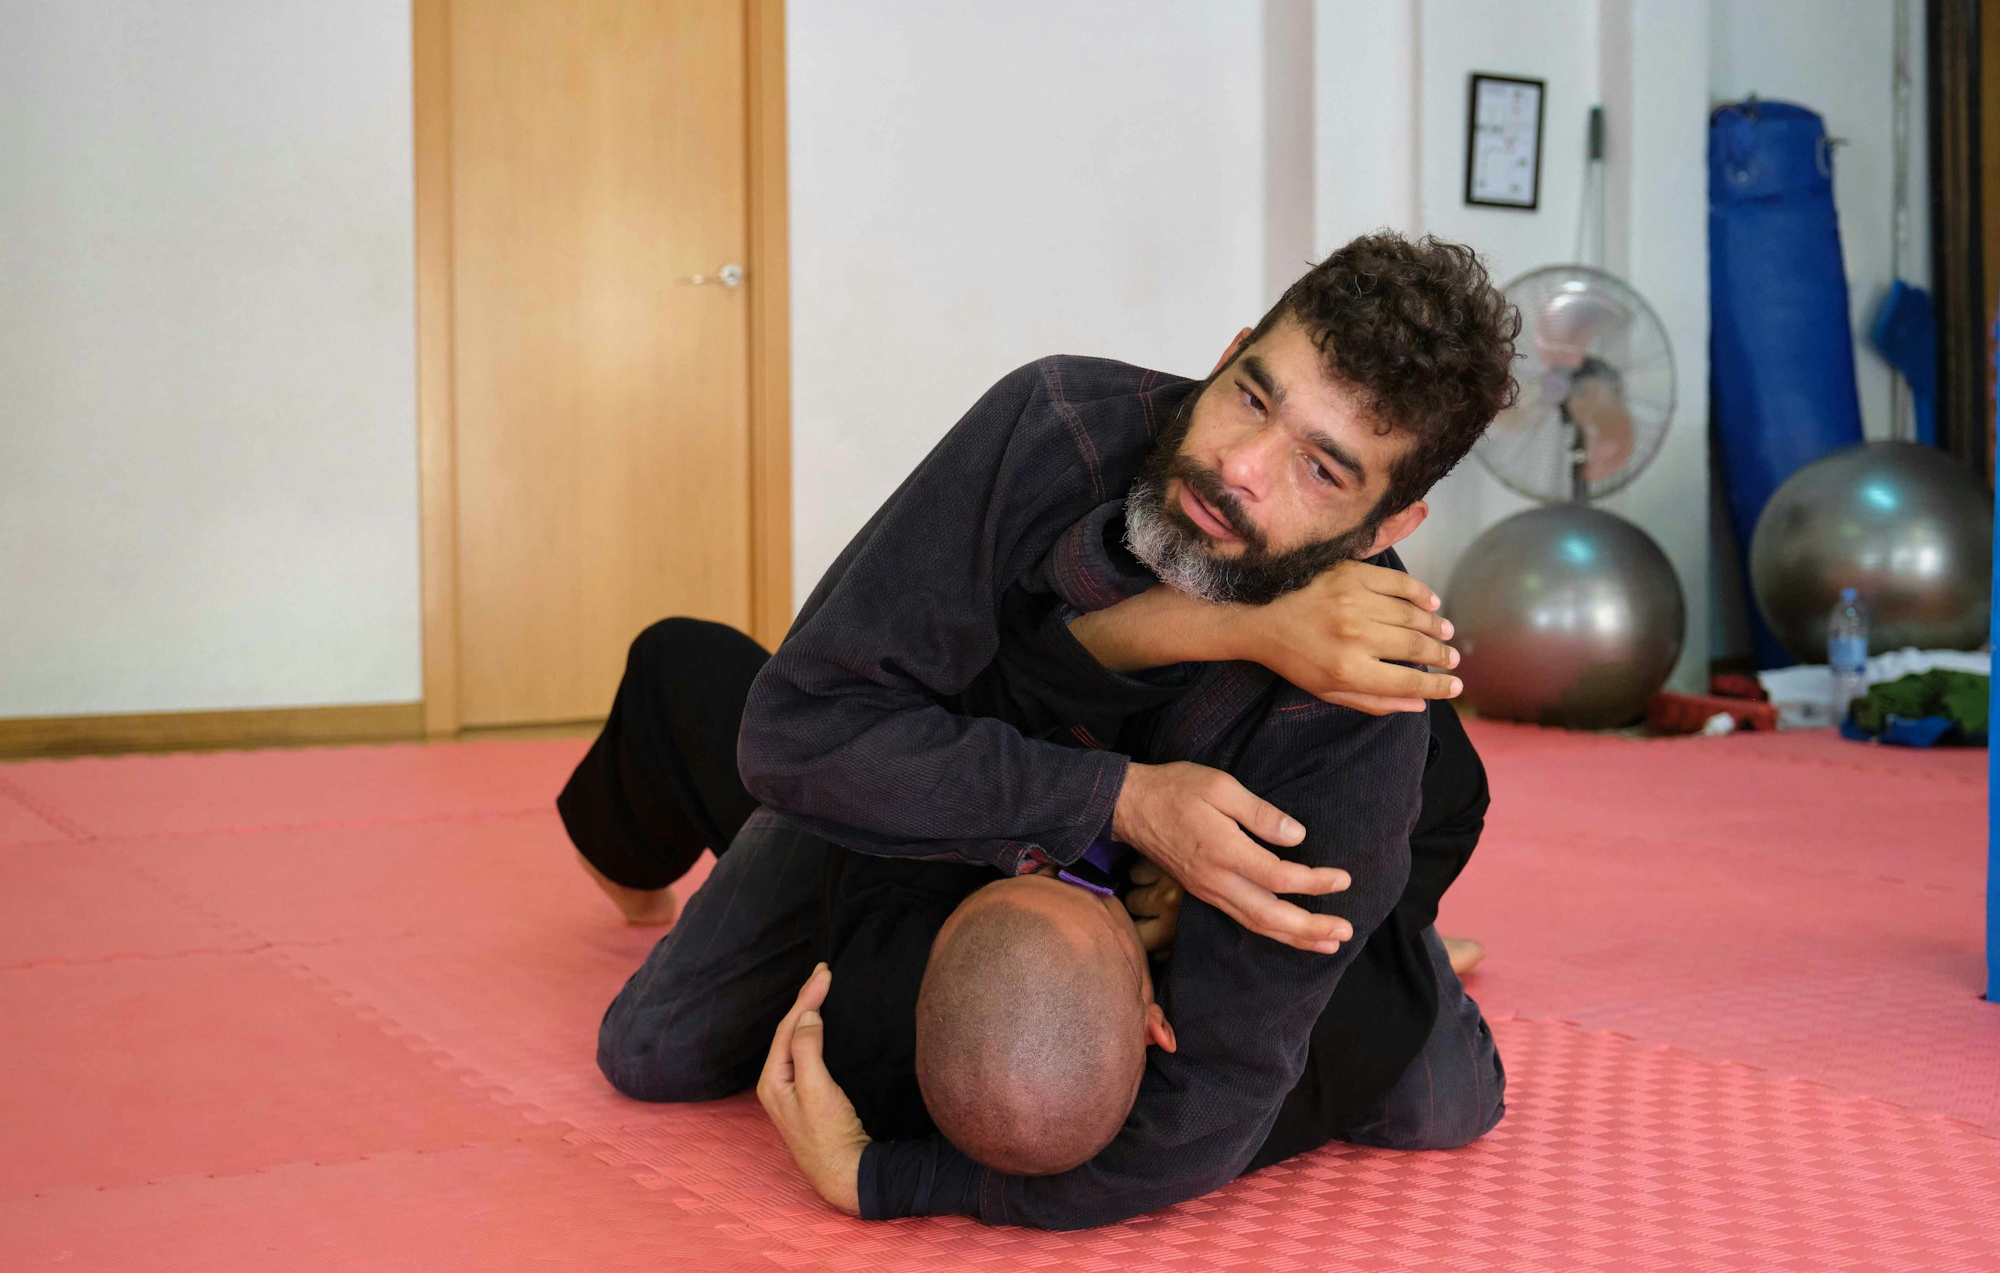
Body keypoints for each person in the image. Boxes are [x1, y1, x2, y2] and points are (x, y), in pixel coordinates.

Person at [573, 231, 1520, 1229]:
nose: (1239, 467)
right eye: (1251, 394)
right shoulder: (1054, 428)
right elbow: (801, 733)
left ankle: (1385, 945)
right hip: (959, 757)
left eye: (1321, 472)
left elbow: (1221, 1090)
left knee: (1431, 1097)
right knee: (657, 1051)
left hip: (1209, 863)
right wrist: (1129, 799)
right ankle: (676, 671)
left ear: (1380, 531)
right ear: (1230, 348)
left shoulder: (1364, 691)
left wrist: (883, 1180)